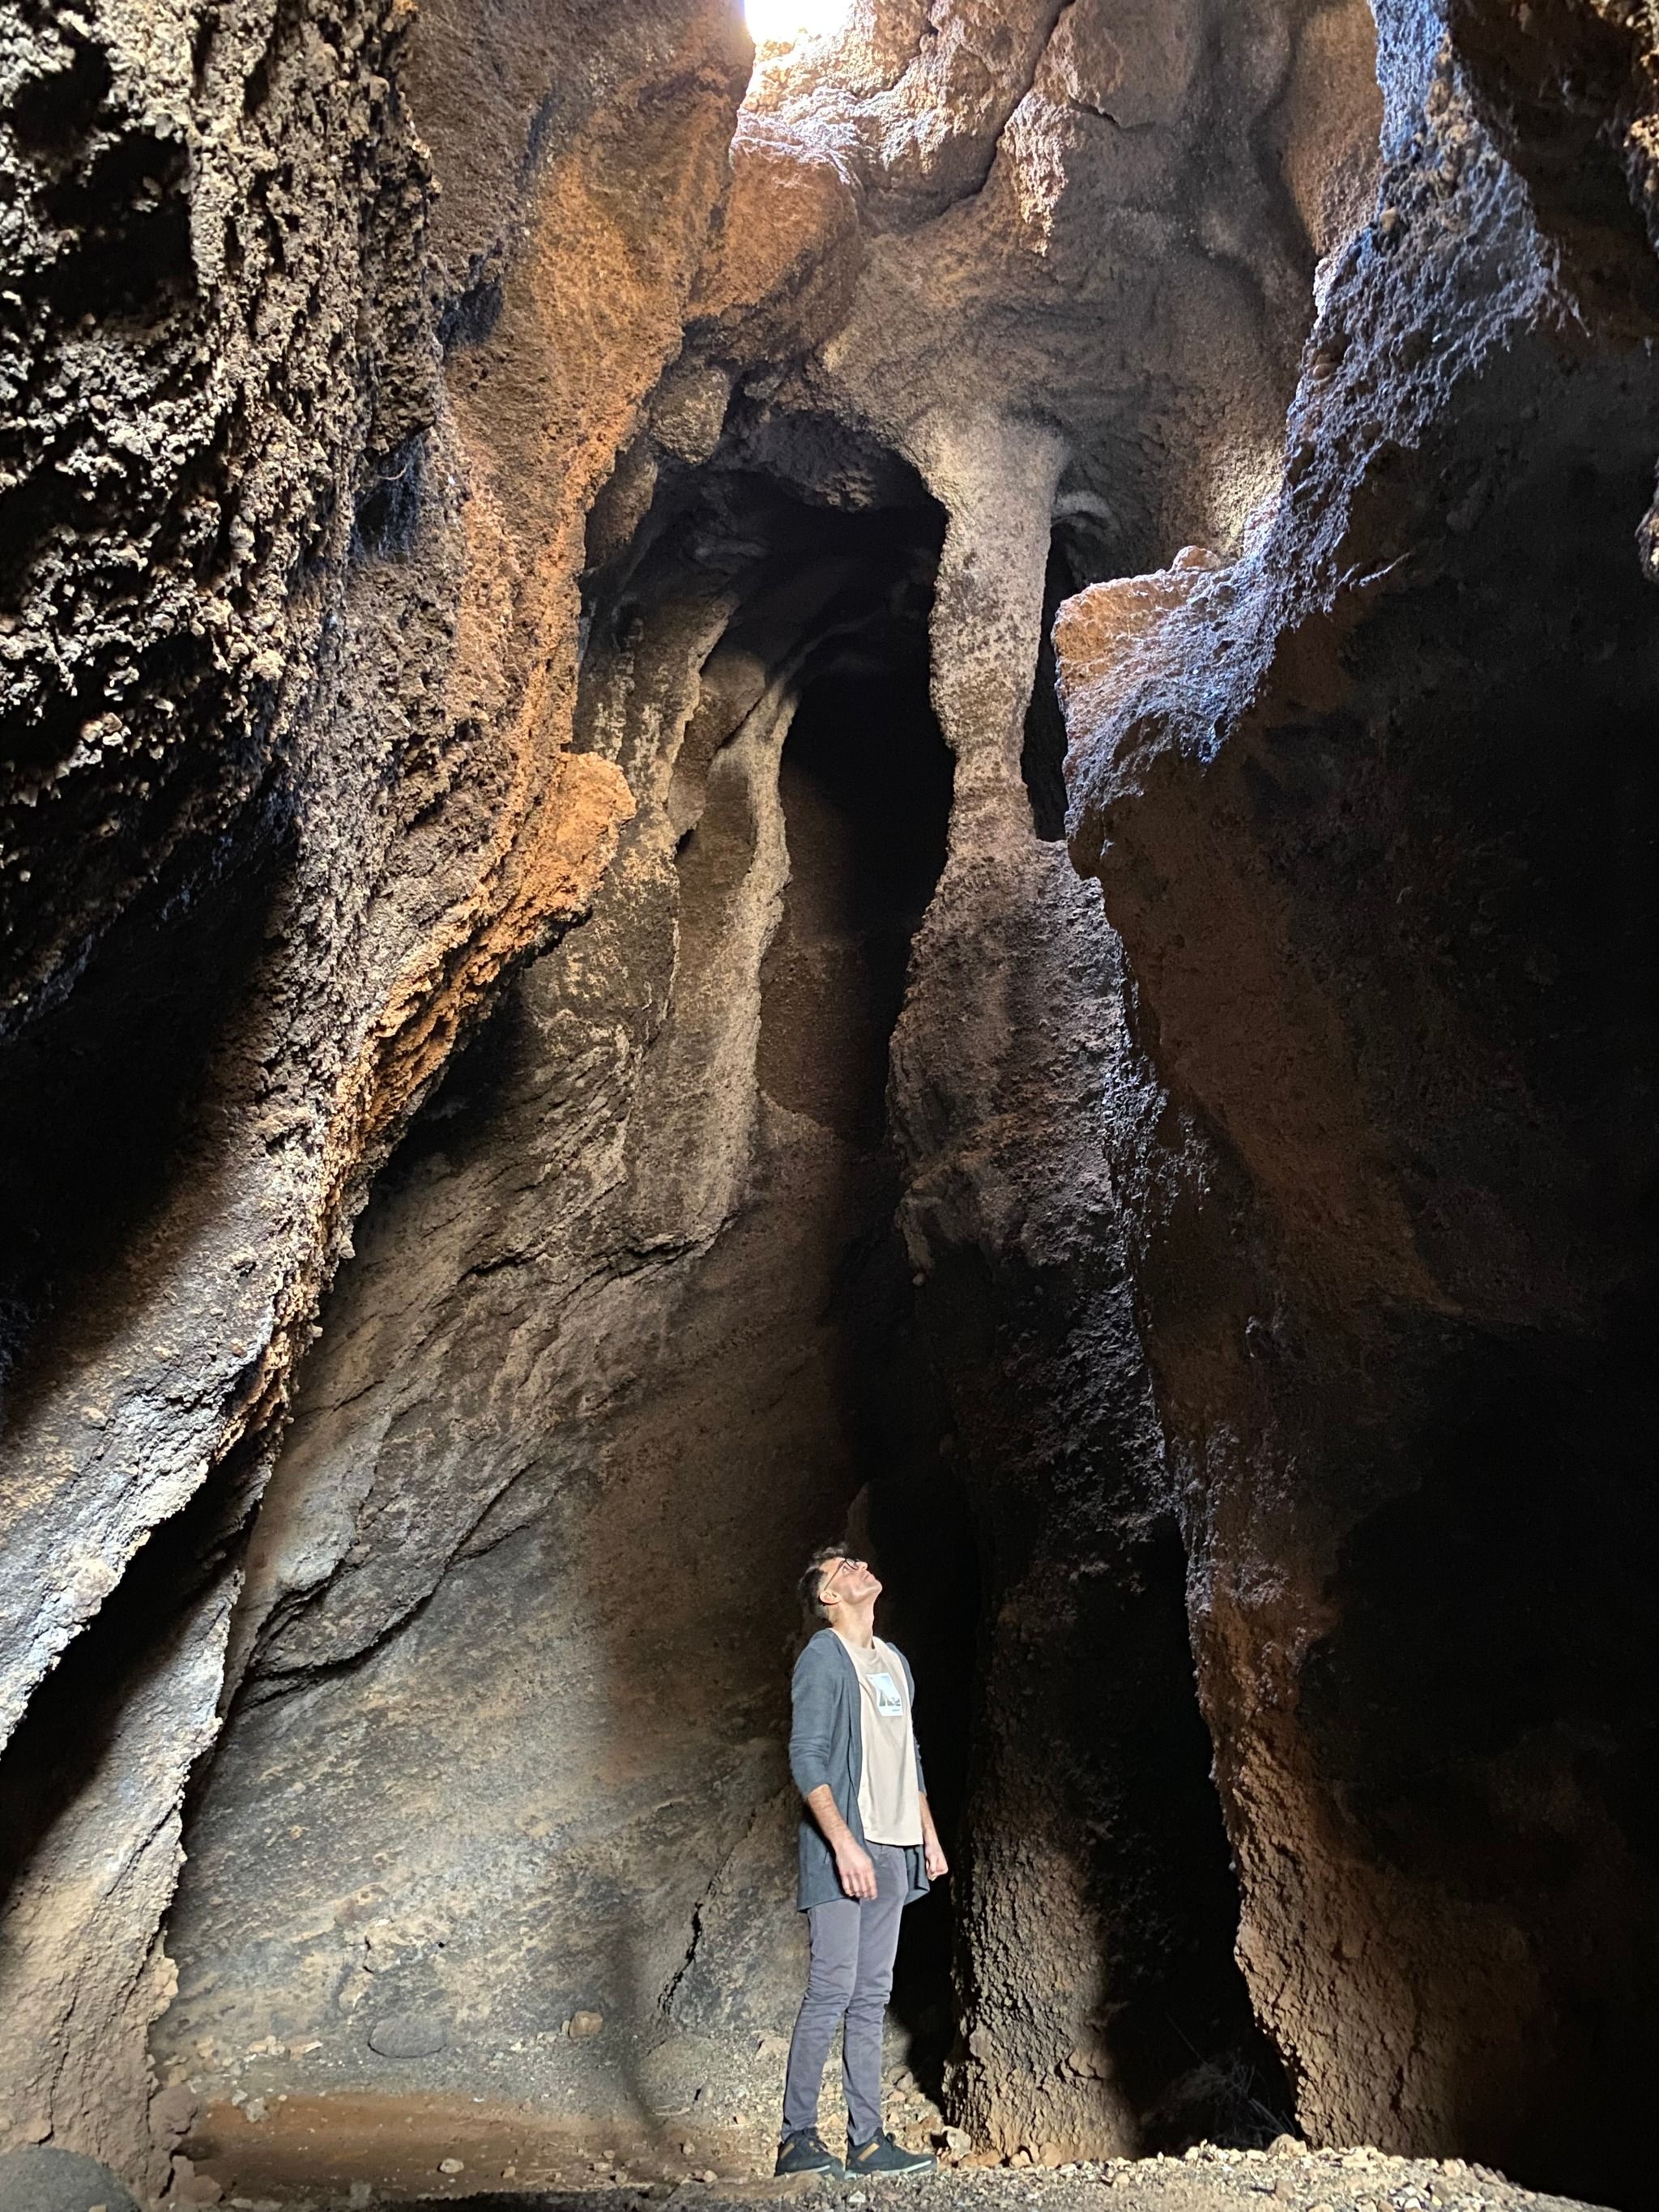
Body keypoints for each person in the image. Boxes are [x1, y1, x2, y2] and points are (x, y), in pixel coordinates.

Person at [775, 1544, 949, 2180]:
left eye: (856, 1562)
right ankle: (797, 2138)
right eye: (841, 1569)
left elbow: (910, 1756)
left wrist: (927, 1836)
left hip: (894, 1846)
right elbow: (807, 1756)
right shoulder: (824, 1656)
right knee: (831, 1988)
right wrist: (843, 1843)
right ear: (828, 1597)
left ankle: (868, 2139)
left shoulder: (894, 1661)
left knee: (872, 1992)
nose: (857, 1568)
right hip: (846, 1847)